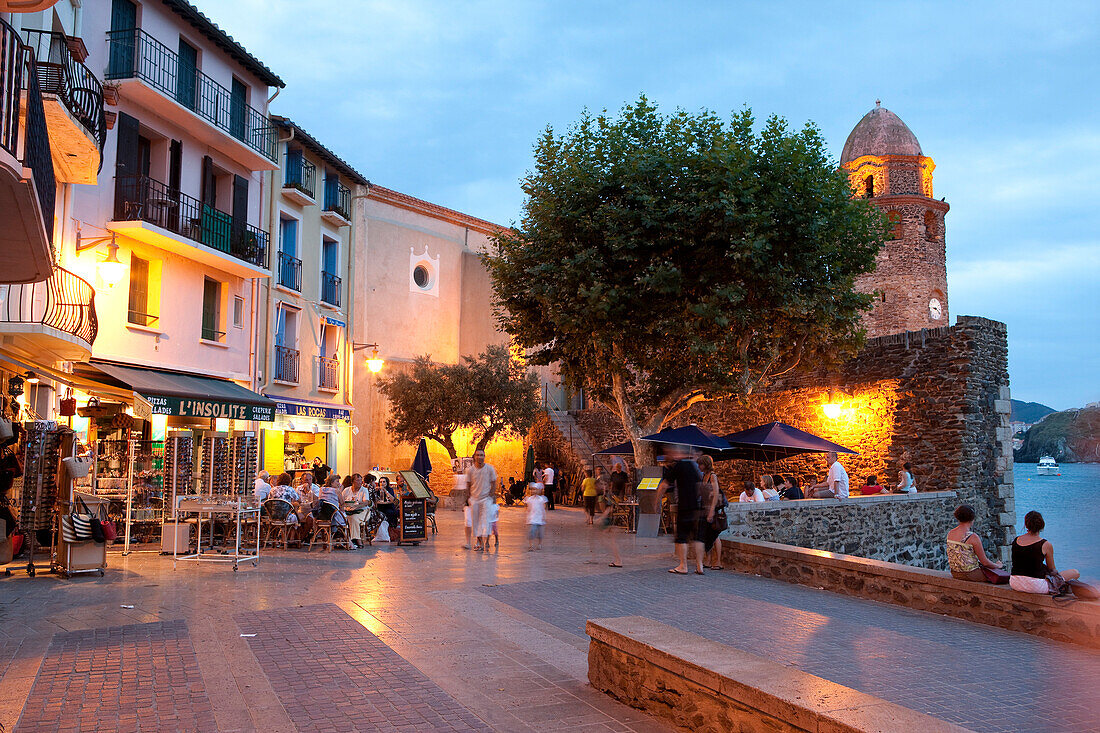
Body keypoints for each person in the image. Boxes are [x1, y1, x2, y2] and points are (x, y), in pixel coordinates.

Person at [655, 443, 705, 575]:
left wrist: (657, 502)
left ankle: (683, 566)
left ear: (676, 453)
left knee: (681, 537)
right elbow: (700, 486)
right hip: (697, 506)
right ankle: (700, 565)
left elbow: (664, 485)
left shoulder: (679, 466)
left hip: (684, 506)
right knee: (697, 537)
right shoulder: (695, 467)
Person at [1009, 510, 1080, 594]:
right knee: (1075, 573)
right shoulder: (1045, 544)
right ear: (1042, 525)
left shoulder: (1017, 540)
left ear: (1026, 525)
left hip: (1015, 582)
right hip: (1035, 586)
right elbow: (1052, 570)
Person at [946, 504, 1004, 582]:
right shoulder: (972, 537)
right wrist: (998, 565)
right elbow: (985, 562)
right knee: (998, 577)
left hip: (955, 573)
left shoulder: (950, 533)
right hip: (970, 574)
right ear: (972, 518)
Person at [465, 448, 498, 551]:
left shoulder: (490, 468)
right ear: (474, 457)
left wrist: (491, 495)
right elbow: (468, 484)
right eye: (478, 455)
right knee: (475, 522)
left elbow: (494, 482)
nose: (480, 457)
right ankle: (479, 542)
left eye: (482, 455)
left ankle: (485, 542)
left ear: (484, 457)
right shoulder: (470, 470)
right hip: (474, 499)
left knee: (486, 521)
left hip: (486, 499)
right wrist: (468, 498)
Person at [699, 455, 725, 570]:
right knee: (706, 535)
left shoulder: (712, 476)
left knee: (714, 535)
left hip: (712, 509)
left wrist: (711, 511)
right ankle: (708, 560)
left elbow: (716, 494)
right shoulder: (704, 476)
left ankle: (718, 561)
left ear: (706, 464)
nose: (699, 466)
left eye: (701, 464)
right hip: (704, 508)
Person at [342, 474, 371, 548]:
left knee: (353, 518)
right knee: (343, 518)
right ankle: (347, 539)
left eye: (361, 480)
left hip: (362, 511)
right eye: (357, 480)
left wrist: (357, 504)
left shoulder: (364, 490)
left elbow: (366, 502)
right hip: (348, 511)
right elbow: (341, 501)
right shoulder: (346, 490)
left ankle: (356, 540)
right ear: (352, 481)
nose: (360, 482)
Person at [525, 484, 548, 551]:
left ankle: (539, 544)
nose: (534, 491)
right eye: (532, 489)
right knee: (531, 533)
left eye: (535, 489)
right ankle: (531, 545)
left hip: (540, 518)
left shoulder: (542, 499)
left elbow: (544, 508)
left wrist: (544, 516)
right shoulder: (529, 499)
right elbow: (527, 508)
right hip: (532, 518)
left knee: (540, 534)